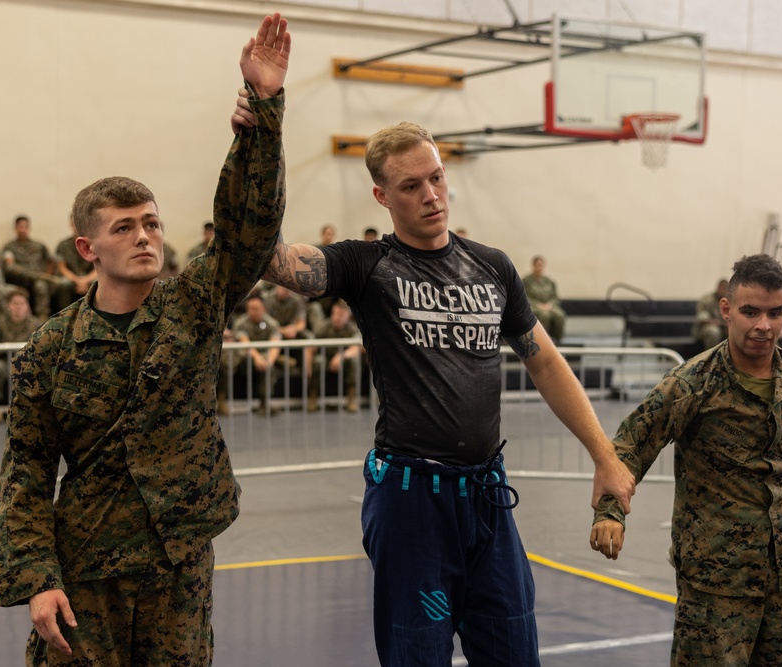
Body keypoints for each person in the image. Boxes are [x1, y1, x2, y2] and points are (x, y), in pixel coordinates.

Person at [236, 99, 635, 662]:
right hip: (411, 505)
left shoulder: (493, 267)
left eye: (437, 178)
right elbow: (271, 259)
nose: (430, 195)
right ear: (382, 196)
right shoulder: (367, 265)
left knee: (515, 652)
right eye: (410, 186)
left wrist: (604, 454)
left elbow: (543, 360)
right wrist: (262, 132)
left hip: (487, 500)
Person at [0, 13, 289, 666]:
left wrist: (263, 115)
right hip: (87, 570)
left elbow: (248, 223)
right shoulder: (51, 346)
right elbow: (27, 470)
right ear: (86, 247)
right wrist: (37, 576)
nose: (145, 236)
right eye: (124, 227)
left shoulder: (193, 302)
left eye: (152, 223)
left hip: (177, 568)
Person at [589, 254, 782, 666]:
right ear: (726, 310)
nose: (762, 325)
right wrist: (610, 512)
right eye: (750, 312)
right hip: (714, 582)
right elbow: (630, 446)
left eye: (772, 313)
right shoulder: (693, 383)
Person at [0, 288, 41, 422]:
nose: (18, 307)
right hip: (5, 360)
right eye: (15, 303)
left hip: (27, 361)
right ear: (9, 306)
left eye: (22, 304)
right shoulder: (1, 323)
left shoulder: (35, 324)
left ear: (27, 306)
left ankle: (31, 409)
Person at [228, 291, 283, 415]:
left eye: (256, 309)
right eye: (250, 309)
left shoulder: (272, 323)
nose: (253, 312)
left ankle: (265, 402)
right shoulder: (241, 322)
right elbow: (245, 342)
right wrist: (257, 358)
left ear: (264, 309)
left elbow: (275, 343)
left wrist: (268, 361)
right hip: (245, 360)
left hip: (264, 358)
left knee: (270, 367)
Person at [1, 215, 64, 319]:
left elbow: (51, 260)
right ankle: (42, 277)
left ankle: (42, 318)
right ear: (15, 228)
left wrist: (48, 274)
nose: (22, 230)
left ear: (29, 228)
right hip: (19, 280)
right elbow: (9, 267)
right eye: (20, 227)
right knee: (37, 279)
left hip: (38, 281)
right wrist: (41, 276)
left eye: (25, 227)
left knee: (41, 285)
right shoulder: (9, 247)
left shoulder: (38, 245)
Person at [306, 299, 362, 413]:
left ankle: (351, 398)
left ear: (348, 316)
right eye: (335, 314)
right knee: (318, 361)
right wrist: (308, 369)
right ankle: (313, 396)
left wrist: (341, 356)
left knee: (354, 362)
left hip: (342, 361)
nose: (337, 317)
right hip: (325, 357)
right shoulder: (324, 327)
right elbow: (310, 347)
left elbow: (357, 348)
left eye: (341, 315)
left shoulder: (351, 329)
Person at [55, 216, 98, 306]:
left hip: (89, 277)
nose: (77, 226)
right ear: (71, 224)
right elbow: (62, 268)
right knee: (64, 284)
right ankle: (64, 316)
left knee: (99, 282)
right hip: (71, 278)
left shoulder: (93, 243)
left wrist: (85, 280)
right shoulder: (63, 245)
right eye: (74, 223)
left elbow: (98, 268)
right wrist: (77, 280)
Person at [522, 254, 566, 342]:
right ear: (533, 266)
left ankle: (558, 340)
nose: (540, 268)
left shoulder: (548, 281)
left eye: (541, 265)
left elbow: (555, 296)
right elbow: (524, 297)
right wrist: (538, 305)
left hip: (548, 306)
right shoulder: (526, 281)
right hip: (534, 306)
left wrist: (550, 304)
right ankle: (542, 340)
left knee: (560, 315)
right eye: (538, 265)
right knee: (544, 316)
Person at [691, 277, 729, 349]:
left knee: (734, 331)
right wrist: (721, 323)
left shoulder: (729, 301)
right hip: (704, 328)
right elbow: (703, 319)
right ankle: (711, 356)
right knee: (713, 331)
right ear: (718, 287)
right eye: (722, 288)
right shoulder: (706, 300)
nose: (724, 291)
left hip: (723, 327)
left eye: (726, 289)